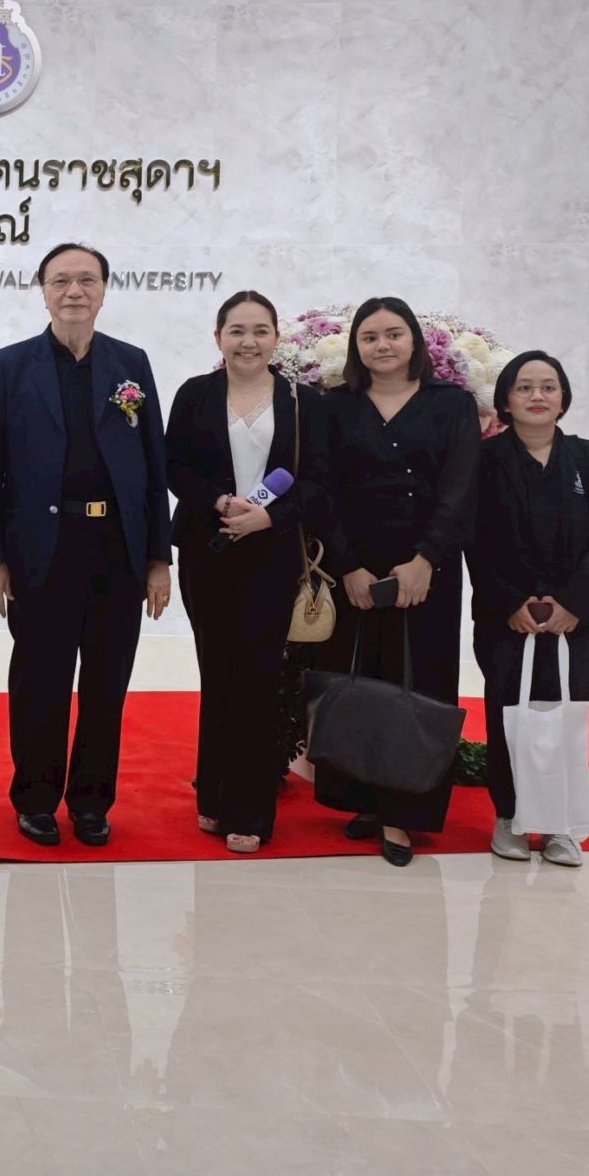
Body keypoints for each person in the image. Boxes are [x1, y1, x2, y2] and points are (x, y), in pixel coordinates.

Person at [0, 242, 172, 848]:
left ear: (105, 289)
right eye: (61, 280)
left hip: (117, 550)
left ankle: (91, 801)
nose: (74, 291)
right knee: (40, 682)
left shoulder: (130, 364)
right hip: (42, 551)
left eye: (87, 280)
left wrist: (160, 558)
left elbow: (153, 465)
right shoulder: (11, 365)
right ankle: (34, 799)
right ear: (43, 290)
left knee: (107, 684)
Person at [316, 295, 481, 866]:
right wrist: (348, 566)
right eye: (369, 337)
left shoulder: (451, 405)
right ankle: (363, 794)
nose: (382, 345)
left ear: (415, 340)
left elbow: (461, 487)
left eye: (393, 334)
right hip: (357, 563)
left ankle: (404, 815)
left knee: (420, 681)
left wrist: (427, 559)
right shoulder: (334, 406)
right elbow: (323, 491)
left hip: (425, 565)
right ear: (354, 347)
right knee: (361, 676)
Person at [165, 291, 329, 852]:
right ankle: (211, 796)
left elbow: (317, 480)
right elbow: (175, 465)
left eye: (260, 330)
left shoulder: (304, 402)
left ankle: (250, 811)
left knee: (259, 677)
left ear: (277, 339)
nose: (248, 341)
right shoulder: (195, 394)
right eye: (236, 330)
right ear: (218, 338)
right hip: (207, 550)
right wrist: (217, 503)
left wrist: (269, 517)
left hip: (271, 553)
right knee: (218, 671)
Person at [468, 351, 589, 868]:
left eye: (548, 387)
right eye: (524, 387)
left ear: (563, 399)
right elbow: (475, 538)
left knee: (566, 715)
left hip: (581, 618)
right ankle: (509, 818)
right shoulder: (486, 459)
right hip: (506, 614)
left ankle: (560, 824)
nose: (537, 396)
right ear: (506, 400)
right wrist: (512, 601)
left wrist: (573, 604)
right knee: (506, 714)